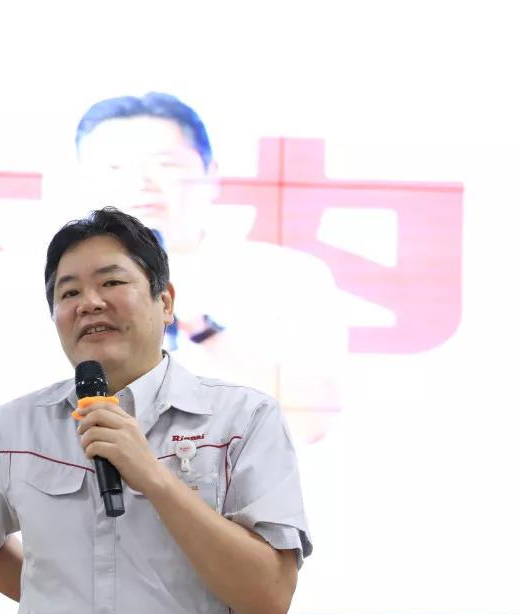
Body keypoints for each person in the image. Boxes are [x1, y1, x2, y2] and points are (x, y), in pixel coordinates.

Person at [0, 208, 311, 614]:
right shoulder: (16, 426)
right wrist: (81, 605)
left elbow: (269, 598)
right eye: (68, 292)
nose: (89, 303)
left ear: (165, 302)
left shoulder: (243, 418)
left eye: (111, 282)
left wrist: (153, 477)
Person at [75, 92, 346, 445]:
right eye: (115, 168)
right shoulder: (35, 281)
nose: (141, 181)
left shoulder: (288, 276)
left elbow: (310, 423)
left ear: (211, 174)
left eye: (166, 164)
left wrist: (205, 331)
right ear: (83, 181)